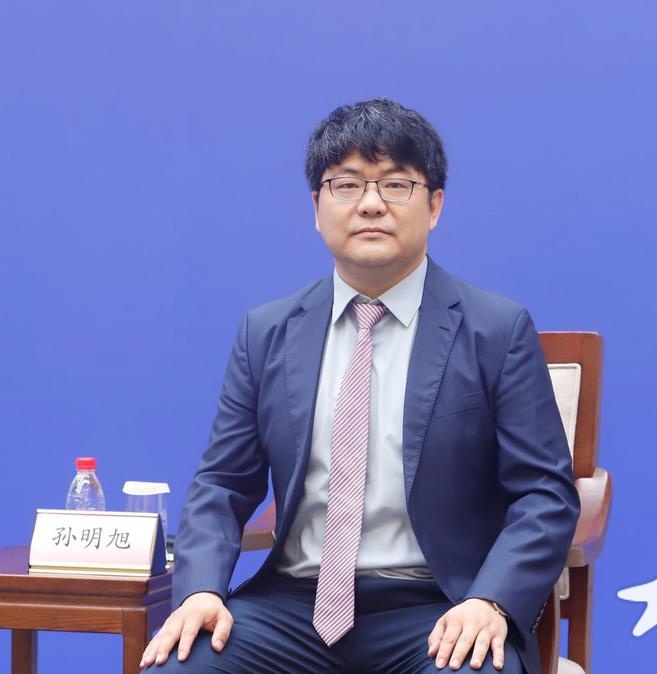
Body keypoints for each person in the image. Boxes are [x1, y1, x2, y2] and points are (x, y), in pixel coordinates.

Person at [141, 98, 579, 674]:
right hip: (291, 607)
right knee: (179, 667)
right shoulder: (267, 333)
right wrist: (200, 588)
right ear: (316, 207)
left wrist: (491, 600)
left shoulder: (495, 331)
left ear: (435, 205)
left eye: (396, 184)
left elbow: (545, 494)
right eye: (346, 185)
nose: (371, 203)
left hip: (439, 607)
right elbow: (222, 484)